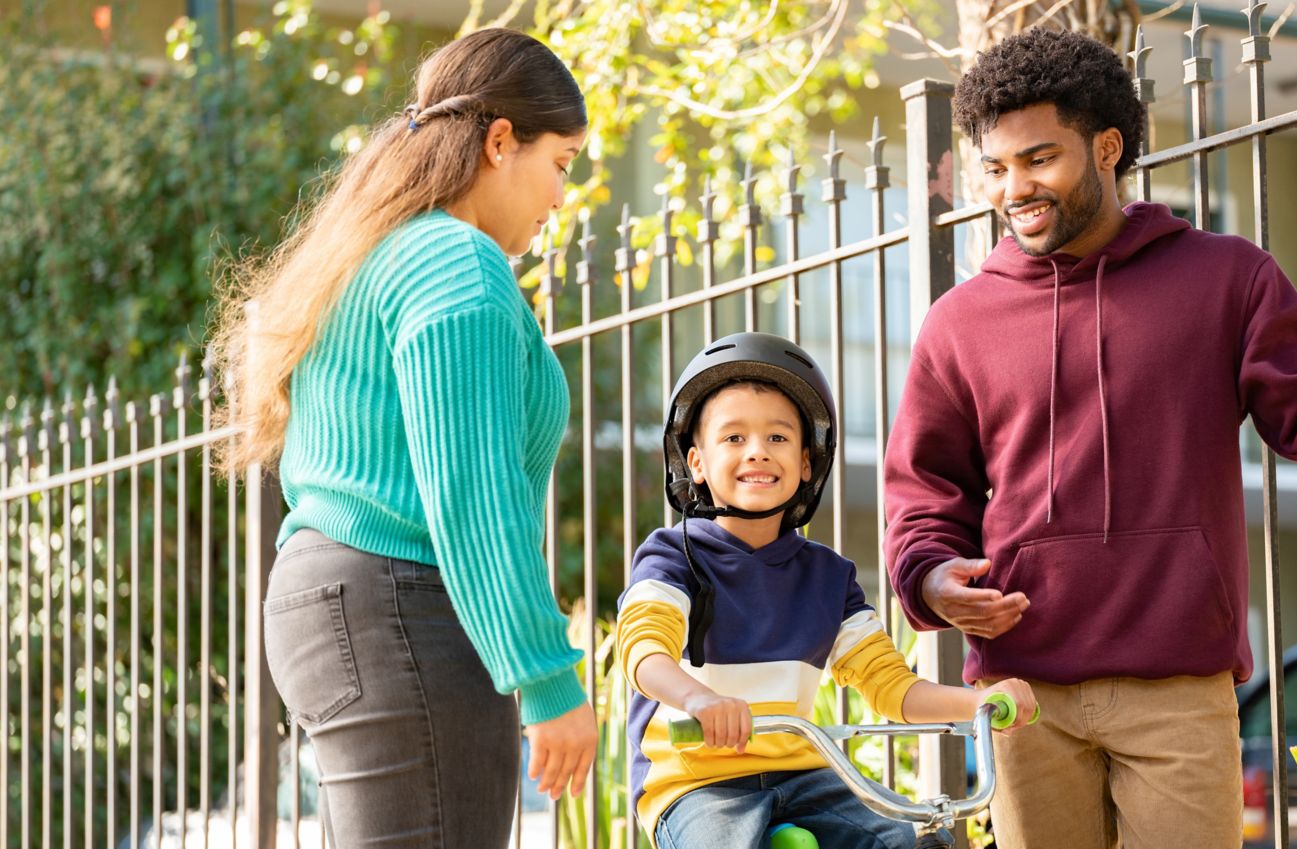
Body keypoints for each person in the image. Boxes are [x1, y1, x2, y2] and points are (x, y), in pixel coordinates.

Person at [881, 28, 1297, 849]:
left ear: (1105, 147)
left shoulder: (1224, 278)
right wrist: (928, 579)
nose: (1014, 188)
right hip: (1022, 683)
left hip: (1176, 683)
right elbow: (925, 489)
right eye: (995, 168)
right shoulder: (959, 323)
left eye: (1038, 159)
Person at [212, 27, 597, 846]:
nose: (561, 195)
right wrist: (546, 676)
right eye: (560, 164)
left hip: (337, 603)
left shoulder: (373, 256)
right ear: (500, 142)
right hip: (405, 611)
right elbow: (471, 490)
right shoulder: (455, 262)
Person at [617, 332, 1037, 849]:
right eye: (733, 438)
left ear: (807, 463)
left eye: (778, 438)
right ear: (696, 463)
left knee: (909, 841)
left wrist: (979, 701)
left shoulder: (828, 578)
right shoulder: (671, 557)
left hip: (804, 777)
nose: (757, 452)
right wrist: (698, 699)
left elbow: (892, 687)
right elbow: (643, 650)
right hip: (697, 782)